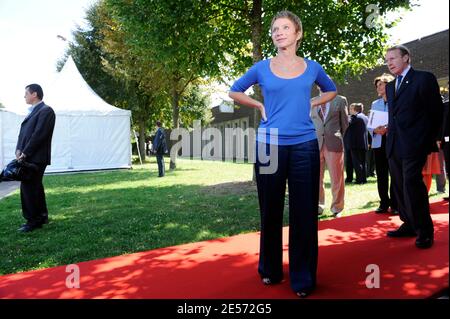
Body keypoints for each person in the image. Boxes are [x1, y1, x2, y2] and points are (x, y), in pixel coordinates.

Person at [229, 10, 337, 298]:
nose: (278, 32)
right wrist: (258, 106)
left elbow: (331, 89)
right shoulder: (261, 67)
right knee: (271, 209)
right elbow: (235, 90)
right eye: (275, 28)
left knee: (304, 212)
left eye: (285, 28)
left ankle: (302, 278)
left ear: (298, 34)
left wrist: (313, 100)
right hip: (268, 144)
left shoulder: (313, 67)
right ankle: (270, 269)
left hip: (304, 145)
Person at [384, 45, 443, 249]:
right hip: (394, 144)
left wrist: (432, 139)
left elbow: (436, 112)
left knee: (412, 184)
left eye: (393, 58)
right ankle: (408, 223)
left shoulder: (424, 78)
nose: (389, 62)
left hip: (415, 143)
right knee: (399, 186)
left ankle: (425, 231)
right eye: (387, 60)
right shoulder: (390, 87)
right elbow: (395, 116)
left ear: (406, 58)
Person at [16, 84, 55, 233]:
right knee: (35, 187)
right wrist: (18, 149)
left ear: (35, 94)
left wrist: (25, 153)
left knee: (28, 187)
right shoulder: (32, 112)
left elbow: (39, 134)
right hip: (28, 155)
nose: (24, 96)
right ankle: (42, 216)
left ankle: (32, 221)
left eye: (26, 93)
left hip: (36, 157)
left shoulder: (46, 111)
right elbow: (23, 133)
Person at [310, 92, 348, 216]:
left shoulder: (340, 100)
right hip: (316, 144)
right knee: (316, 178)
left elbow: (345, 123)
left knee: (337, 178)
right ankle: (319, 205)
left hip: (334, 143)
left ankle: (337, 208)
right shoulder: (312, 101)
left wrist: (337, 136)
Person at [368, 73, 398, 214]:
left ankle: (396, 204)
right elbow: (370, 123)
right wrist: (375, 129)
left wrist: (388, 128)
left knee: (395, 172)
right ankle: (383, 203)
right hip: (378, 141)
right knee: (381, 174)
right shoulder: (375, 103)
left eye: (381, 84)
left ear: (389, 85)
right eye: (377, 85)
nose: (378, 87)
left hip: (394, 140)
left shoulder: (397, 100)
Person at [346, 103, 368, 184]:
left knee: (357, 162)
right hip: (363, 143)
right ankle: (364, 179)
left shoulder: (355, 117)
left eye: (350, 109)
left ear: (354, 109)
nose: (349, 111)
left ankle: (359, 180)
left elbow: (347, 123)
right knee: (363, 162)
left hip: (355, 143)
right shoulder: (365, 117)